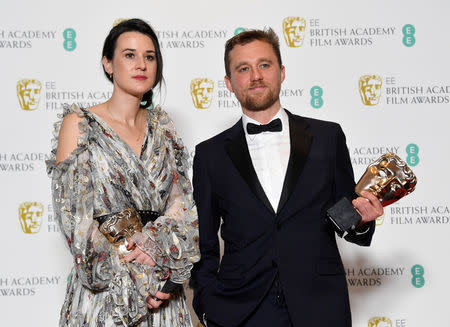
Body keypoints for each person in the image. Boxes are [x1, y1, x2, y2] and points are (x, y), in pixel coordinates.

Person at [190, 28, 383, 327]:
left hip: (320, 307)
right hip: (241, 312)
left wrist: (361, 220)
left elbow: (345, 217)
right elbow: (203, 243)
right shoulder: (209, 154)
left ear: (281, 72)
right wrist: (207, 306)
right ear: (228, 83)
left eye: (264, 65)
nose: (255, 75)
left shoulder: (327, 137)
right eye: (244, 68)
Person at [46, 19, 200, 327]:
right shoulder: (79, 125)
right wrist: (138, 281)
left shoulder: (164, 129)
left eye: (150, 56)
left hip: (162, 293)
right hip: (107, 296)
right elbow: (75, 223)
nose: (141, 64)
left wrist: (157, 252)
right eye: (129, 55)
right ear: (108, 63)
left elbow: (184, 212)